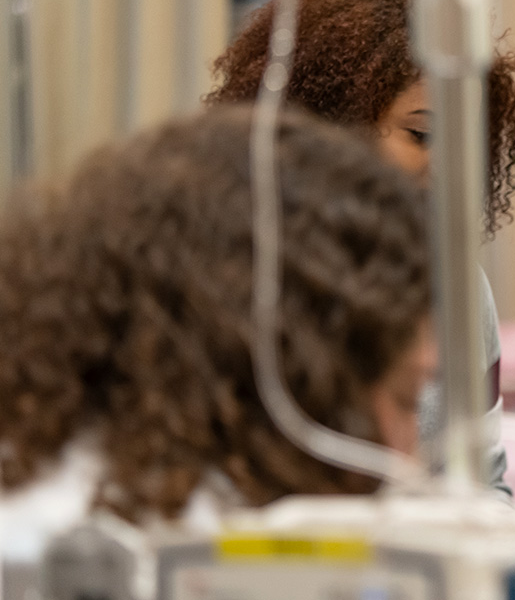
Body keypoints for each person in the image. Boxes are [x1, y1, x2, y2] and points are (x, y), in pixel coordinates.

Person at [0, 105, 434, 536]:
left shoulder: (41, 475)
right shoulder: (212, 546)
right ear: (290, 383)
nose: (407, 456)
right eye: (406, 401)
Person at [206, 0, 515, 497]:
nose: (449, 166)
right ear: (334, 127)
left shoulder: (462, 291)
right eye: (422, 136)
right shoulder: (244, 283)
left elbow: (487, 486)